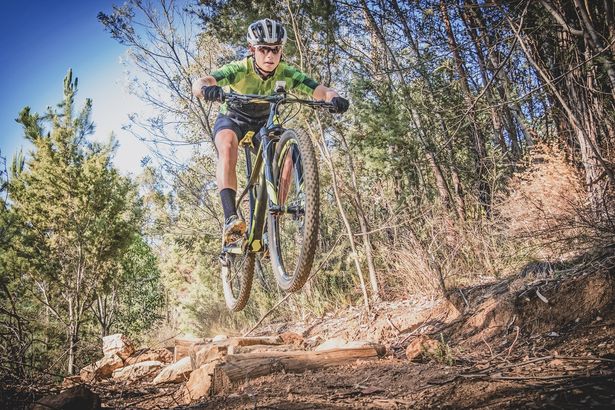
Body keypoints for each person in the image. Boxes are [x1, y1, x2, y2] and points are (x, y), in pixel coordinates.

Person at [193, 18, 349, 244]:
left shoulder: (286, 72)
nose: (269, 56)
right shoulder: (239, 69)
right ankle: (231, 219)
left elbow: (320, 90)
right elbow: (200, 82)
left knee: (286, 158)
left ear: (281, 50)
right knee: (227, 146)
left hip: (263, 125)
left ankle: (270, 227)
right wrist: (207, 89)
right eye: (263, 49)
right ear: (251, 49)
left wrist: (334, 98)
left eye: (275, 50)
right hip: (232, 119)